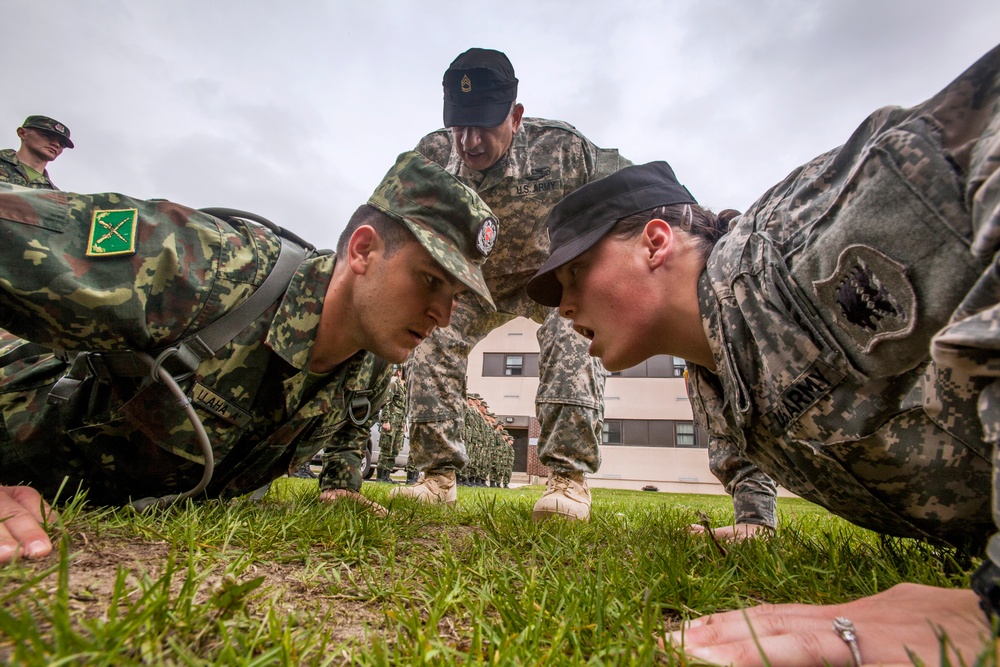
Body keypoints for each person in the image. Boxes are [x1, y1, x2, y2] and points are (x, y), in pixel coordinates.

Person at [525, 44, 1000, 666]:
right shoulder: (709, 366)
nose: (562, 308)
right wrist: (753, 519)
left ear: (655, 242)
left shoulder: (795, 248)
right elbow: (746, 446)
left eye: (576, 274)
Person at [0, 150, 499, 564]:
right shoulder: (209, 265)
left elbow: (350, 423)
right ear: (363, 250)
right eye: (431, 280)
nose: (443, 316)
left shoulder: (373, 361)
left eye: (454, 294)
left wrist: (341, 484)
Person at [388, 47, 632, 521]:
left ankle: (567, 479)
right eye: (459, 126)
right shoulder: (432, 158)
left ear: (516, 117)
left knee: (573, 332)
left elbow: (628, 194)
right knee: (432, 334)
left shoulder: (561, 148)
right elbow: (393, 225)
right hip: (476, 282)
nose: (470, 141)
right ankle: (437, 477)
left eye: (484, 125)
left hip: (550, 277)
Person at [0, 115, 74, 190]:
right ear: (22, 133)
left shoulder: (53, 194)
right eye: (48, 136)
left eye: (62, 144)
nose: (56, 144)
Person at [374, 365, 407, 483]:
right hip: (391, 422)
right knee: (386, 448)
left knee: (395, 449)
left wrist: (404, 424)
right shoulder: (394, 385)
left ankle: (387, 475)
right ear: (399, 372)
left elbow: (404, 408)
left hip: (399, 423)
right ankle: (381, 476)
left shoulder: (405, 388)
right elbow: (386, 403)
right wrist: (386, 420)